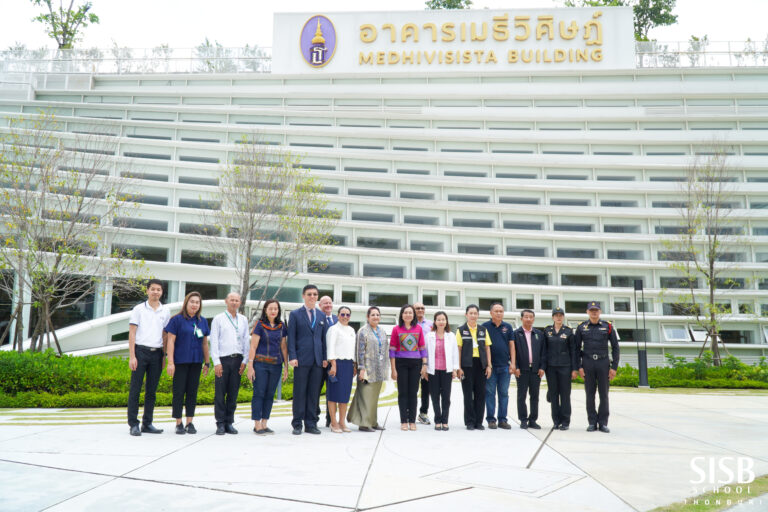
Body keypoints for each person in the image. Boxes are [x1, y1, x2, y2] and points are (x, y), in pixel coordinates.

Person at [127, 279, 170, 436]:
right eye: (153, 289)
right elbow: (132, 333)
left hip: (157, 354)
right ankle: (133, 424)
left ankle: (147, 423)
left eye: (159, 289)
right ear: (147, 291)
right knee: (135, 389)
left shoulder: (165, 311)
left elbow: (165, 335)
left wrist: (164, 355)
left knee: (151, 391)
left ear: (162, 292)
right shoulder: (139, 309)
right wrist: (132, 356)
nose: (156, 292)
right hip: (140, 352)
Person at [165, 291, 210, 435]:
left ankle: (190, 422)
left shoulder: (202, 321)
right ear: (186, 303)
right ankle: (179, 422)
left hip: (196, 362)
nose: (195, 305)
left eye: (197, 302)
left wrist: (207, 362)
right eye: (192, 302)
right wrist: (170, 362)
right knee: (178, 392)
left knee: (192, 392)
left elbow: (204, 343)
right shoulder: (176, 320)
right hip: (180, 362)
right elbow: (170, 341)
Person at [287, 284, 328, 435]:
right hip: (301, 360)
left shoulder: (321, 315)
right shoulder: (295, 314)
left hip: (317, 361)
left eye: (315, 294)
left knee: (313, 393)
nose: (312, 297)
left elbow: (324, 340)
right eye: (309, 294)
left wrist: (324, 358)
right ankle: (297, 424)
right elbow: (291, 337)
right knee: (299, 392)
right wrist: (293, 356)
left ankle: (311, 423)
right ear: (303, 296)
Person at [574, 301, 620, 433]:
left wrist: (614, 367)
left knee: (604, 394)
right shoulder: (581, 327)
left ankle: (603, 423)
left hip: (603, 363)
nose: (594, 312)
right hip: (588, 363)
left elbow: (616, 348)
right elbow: (576, 349)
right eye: (591, 310)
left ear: (600, 312)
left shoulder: (608, 327)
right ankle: (592, 422)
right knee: (589, 394)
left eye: (596, 310)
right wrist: (579, 367)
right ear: (587, 312)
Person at [209, 292, 249, 435]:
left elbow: (246, 340)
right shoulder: (218, 319)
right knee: (220, 393)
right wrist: (217, 362)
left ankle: (229, 422)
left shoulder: (243, 319)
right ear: (226, 301)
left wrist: (245, 360)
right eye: (231, 300)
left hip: (238, 360)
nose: (234, 302)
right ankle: (220, 423)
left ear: (240, 303)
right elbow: (213, 341)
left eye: (237, 300)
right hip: (223, 360)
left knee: (233, 393)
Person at [247, 299, 288, 435]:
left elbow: (283, 347)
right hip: (260, 364)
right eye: (270, 308)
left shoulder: (281, 326)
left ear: (278, 311)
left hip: (276, 365)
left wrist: (286, 367)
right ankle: (257, 424)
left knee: (270, 394)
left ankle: (265, 423)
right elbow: (253, 346)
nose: (273, 311)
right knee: (259, 393)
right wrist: (250, 366)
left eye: (275, 309)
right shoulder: (259, 325)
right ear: (265, 310)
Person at [348, 306, 389, 432]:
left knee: (374, 398)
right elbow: (360, 351)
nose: (376, 317)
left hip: (379, 369)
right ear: (367, 317)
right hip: (367, 370)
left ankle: (373, 422)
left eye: (377, 315)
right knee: (365, 397)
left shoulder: (381, 331)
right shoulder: (363, 331)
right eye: (373, 315)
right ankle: (364, 424)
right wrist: (361, 368)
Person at [390, 304, 427, 431]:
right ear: (402, 315)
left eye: (410, 312)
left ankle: (412, 420)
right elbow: (392, 350)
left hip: (416, 363)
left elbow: (422, 348)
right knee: (403, 393)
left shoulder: (418, 329)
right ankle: (403, 421)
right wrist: (393, 369)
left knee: (413, 392)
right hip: (401, 363)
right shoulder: (396, 329)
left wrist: (424, 365)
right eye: (405, 312)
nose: (408, 315)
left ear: (414, 315)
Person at [456, 304, 492, 430]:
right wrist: (458, 367)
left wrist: (489, 366)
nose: (473, 315)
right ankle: (470, 422)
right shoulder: (460, 330)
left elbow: (487, 348)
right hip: (466, 365)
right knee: (467, 394)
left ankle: (479, 422)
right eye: (470, 313)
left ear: (478, 315)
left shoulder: (483, 330)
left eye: (475, 313)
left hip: (481, 365)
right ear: (466, 315)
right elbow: (458, 350)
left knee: (480, 394)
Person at [482, 302, 516, 430]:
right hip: (490, 367)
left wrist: (513, 363)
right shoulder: (485, 327)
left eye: (501, 311)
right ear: (491, 313)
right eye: (496, 311)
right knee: (490, 393)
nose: (499, 313)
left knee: (503, 393)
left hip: (504, 367)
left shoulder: (508, 327)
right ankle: (491, 420)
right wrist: (487, 365)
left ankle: (503, 420)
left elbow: (512, 346)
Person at [544, 307, 578, 431]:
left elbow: (573, 351)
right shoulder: (547, 331)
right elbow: (544, 350)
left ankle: (565, 421)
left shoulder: (568, 331)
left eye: (560, 315)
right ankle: (556, 421)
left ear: (563, 317)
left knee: (565, 395)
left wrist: (574, 369)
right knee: (553, 395)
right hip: (551, 367)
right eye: (556, 315)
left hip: (565, 367)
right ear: (552, 317)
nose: (558, 317)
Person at [512, 309, 547, 430]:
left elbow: (544, 352)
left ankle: (533, 419)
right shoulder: (516, 334)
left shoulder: (539, 334)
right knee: (521, 396)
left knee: (535, 396)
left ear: (533, 319)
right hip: (522, 370)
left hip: (536, 370)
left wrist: (542, 367)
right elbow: (512, 352)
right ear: (521, 319)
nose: (528, 319)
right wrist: (515, 367)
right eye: (526, 317)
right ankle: (523, 420)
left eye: (530, 317)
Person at [424, 311, 459, 431]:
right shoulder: (429, 336)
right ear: (434, 321)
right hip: (433, 370)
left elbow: (455, 353)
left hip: (447, 370)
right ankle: (437, 420)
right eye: (438, 319)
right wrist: (425, 369)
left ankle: (445, 421)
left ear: (446, 321)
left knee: (446, 397)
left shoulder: (451, 335)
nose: (441, 322)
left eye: (443, 319)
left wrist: (455, 369)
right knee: (434, 396)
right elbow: (426, 354)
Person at [326, 306, 355, 433]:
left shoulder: (351, 330)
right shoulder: (333, 329)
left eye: (347, 315)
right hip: (336, 364)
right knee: (333, 395)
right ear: (338, 315)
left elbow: (352, 349)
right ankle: (333, 423)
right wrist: (333, 364)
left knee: (344, 395)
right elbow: (330, 347)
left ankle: (342, 421)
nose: (345, 317)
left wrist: (354, 364)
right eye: (342, 314)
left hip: (348, 365)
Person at [318, 295, 337, 427]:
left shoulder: (337, 319)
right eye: (325, 303)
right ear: (320, 305)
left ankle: (330, 419)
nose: (328, 305)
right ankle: (313, 417)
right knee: (316, 391)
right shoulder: (317, 318)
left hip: (334, 363)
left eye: (330, 303)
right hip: (319, 362)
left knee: (333, 392)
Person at [413, 302, 433, 425]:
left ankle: (423, 413)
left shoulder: (431, 324)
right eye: (417, 308)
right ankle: (410, 413)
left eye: (422, 308)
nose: (420, 310)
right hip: (413, 359)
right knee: (412, 388)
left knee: (426, 388)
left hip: (427, 360)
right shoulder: (409, 324)